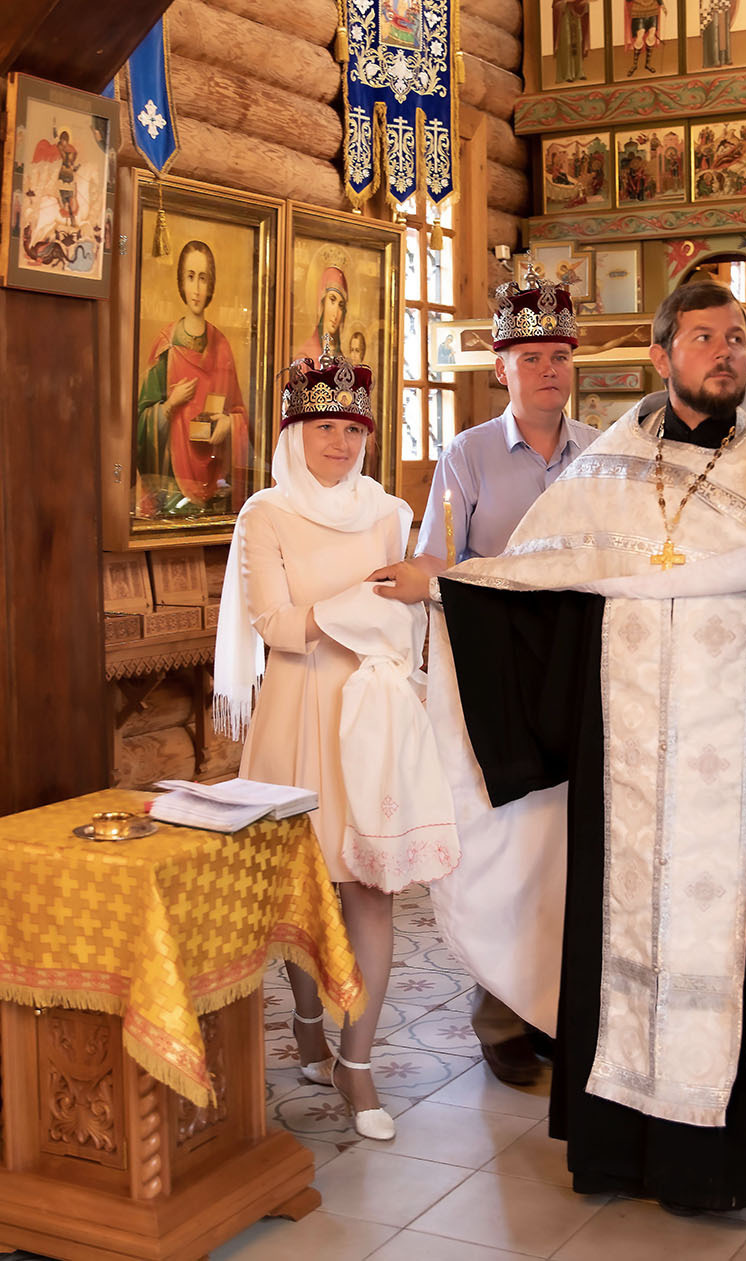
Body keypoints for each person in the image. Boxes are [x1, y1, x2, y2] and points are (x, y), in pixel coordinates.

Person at [411, 280, 746, 1214]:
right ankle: (618, 1148)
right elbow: (536, 593)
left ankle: (734, 1146)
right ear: (661, 356)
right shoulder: (606, 470)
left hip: (743, 770)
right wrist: (447, 592)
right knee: (617, 942)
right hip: (626, 769)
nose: (726, 352)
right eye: (704, 337)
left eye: (737, 337)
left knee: (740, 944)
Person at [214, 348, 457, 1141]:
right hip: (297, 715)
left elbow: (414, 616)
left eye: (354, 429)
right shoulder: (266, 515)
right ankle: (309, 1023)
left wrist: (380, 612)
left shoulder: (390, 512)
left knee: (370, 889)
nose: (342, 444)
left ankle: (357, 1065)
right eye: (325, 427)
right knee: (302, 890)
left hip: (372, 717)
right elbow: (278, 628)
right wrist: (357, 605)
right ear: (294, 433)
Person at [370, 262, 597, 1088]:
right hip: (497, 674)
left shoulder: (602, 455)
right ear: (501, 367)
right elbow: (437, 562)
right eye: (531, 357)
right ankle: (500, 1012)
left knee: (572, 840)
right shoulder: (465, 456)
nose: (548, 370)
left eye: (560, 357)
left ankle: (560, 1006)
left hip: (576, 669)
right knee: (505, 838)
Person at [135, 239, 250, 517]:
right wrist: (169, 406)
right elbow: (140, 424)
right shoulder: (166, 347)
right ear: (181, 283)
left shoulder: (221, 346)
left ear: (211, 285)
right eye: (190, 277)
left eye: (203, 278)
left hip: (215, 483)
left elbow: (239, 413)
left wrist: (229, 424)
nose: (197, 289)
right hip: (172, 484)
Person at [298, 265, 349, 363]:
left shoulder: (342, 360)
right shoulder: (305, 359)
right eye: (332, 300)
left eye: (341, 305)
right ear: (322, 303)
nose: (336, 313)